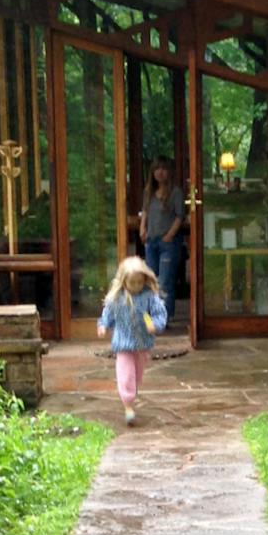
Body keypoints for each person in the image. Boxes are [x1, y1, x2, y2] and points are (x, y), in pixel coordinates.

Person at [98, 256, 167, 427]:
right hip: (123, 344)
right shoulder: (117, 298)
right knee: (126, 374)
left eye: (139, 282)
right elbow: (108, 314)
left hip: (143, 344)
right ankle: (128, 405)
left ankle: (130, 396)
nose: (136, 286)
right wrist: (103, 326)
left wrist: (155, 325)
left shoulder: (149, 296)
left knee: (136, 375)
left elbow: (160, 314)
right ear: (123, 281)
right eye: (132, 282)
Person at [139, 157, 185, 327]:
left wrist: (170, 235)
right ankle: (152, 316)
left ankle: (164, 317)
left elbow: (180, 216)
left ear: (169, 172)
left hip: (168, 243)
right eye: (157, 169)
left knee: (165, 281)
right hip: (151, 241)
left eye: (164, 169)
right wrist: (142, 228)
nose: (160, 172)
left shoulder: (175, 192)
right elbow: (145, 211)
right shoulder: (149, 192)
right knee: (151, 280)